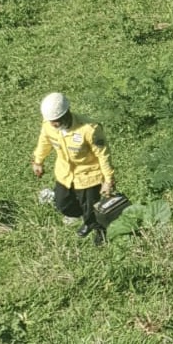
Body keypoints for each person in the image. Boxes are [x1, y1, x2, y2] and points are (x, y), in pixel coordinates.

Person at [31, 92, 115, 245]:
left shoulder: (89, 129)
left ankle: (98, 229)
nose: (54, 124)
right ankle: (87, 217)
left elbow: (103, 155)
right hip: (65, 174)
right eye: (51, 121)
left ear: (67, 112)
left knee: (91, 208)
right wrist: (38, 161)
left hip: (89, 175)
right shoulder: (48, 126)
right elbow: (45, 142)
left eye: (57, 120)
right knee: (62, 204)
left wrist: (108, 180)